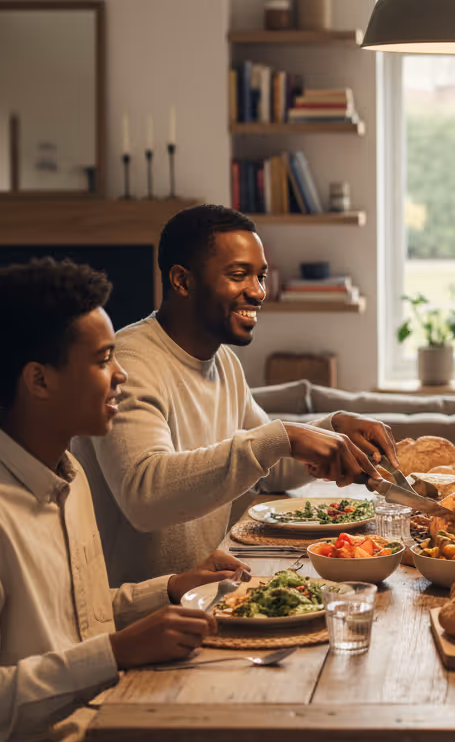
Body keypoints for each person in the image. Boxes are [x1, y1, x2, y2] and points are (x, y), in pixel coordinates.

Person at [0, 258, 253, 742]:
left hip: (115, 716)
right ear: (39, 381)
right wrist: (115, 653)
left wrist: (169, 588)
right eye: (104, 359)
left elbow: (74, 618)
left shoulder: (67, 472)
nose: (121, 375)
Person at [73, 205, 398, 584]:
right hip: (136, 618)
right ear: (182, 280)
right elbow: (144, 496)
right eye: (238, 275)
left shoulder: (222, 360)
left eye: (260, 276)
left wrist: (332, 428)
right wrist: (286, 437)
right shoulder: (131, 363)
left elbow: (272, 463)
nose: (259, 292)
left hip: (202, 596)